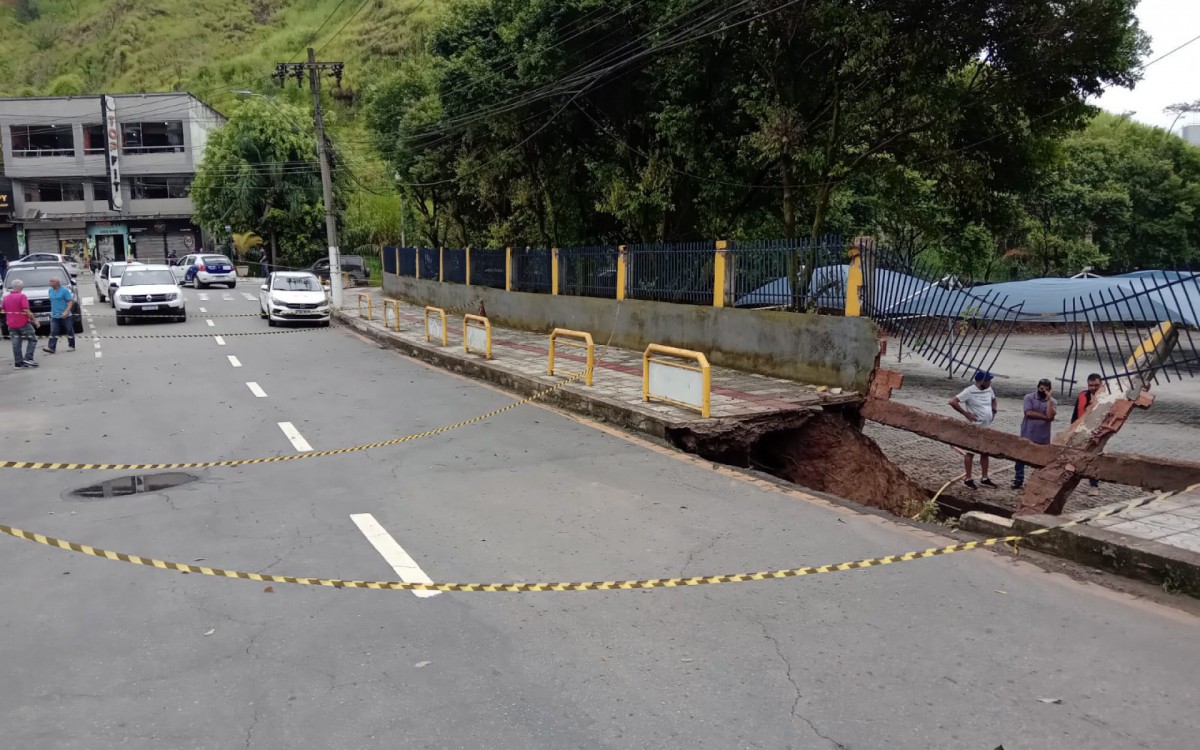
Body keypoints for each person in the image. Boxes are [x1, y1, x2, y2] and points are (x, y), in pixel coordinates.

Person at [949, 370, 997, 489]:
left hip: (986, 427)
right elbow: (952, 401)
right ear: (981, 381)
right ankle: (968, 478)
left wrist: (994, 411)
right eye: (988, 381)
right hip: (974, 427)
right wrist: (966, 414)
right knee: (970, 453)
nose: (990, 382)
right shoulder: (969, 391)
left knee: (985, 452)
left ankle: (984, 478)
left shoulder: (989, 389)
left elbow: (994, 399)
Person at [1012, 378, 1056, 489]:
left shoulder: (1053, 401)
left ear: (1050, 390)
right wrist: (1044, 417)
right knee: (1020, 457)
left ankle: (1038, 482)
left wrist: (1049, 400)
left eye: (1046, 390)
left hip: (1043, 436)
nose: (1043, 391)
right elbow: (1028, 413)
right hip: (1028, 432)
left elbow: (1050, 416)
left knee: (1042, 459)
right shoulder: (1029, 397)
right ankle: (1018, 479)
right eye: (1042, 389)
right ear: (1037, 387)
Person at [1072, 374, 1105, 490]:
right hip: (1081, 430)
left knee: (1094, 458)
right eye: (1091, 385)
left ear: (1101, 384)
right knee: (1076, 456)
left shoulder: (1107, 397)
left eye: (1096, 385)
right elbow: (1075, 414)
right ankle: (1072, 479)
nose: (1093, 388)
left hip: (1098, 432)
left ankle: (1094, 485)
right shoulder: (1082, 395)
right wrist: (1073, 429)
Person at [2, 278, 38, 368]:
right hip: (23, 323)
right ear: (21, 287)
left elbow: (3, 310)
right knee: (32, 339)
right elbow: (26, 310)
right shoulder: (22, 296)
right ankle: (28, 358)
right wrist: (34, 320)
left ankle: (18, 363)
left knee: (16, 344)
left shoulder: (6, 297)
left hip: (11, 324)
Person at [43, 276, 76, 354]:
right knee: (53, 331)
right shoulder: (50, 290)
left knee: (69, 330)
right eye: (49, 281)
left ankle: (71, 345)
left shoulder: (64, 291)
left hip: (65, 315)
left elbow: (70, 302)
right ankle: (51, 347)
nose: (49, 283)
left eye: (51, 281)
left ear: (57, 283)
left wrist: (66, 312)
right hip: (54, 315)